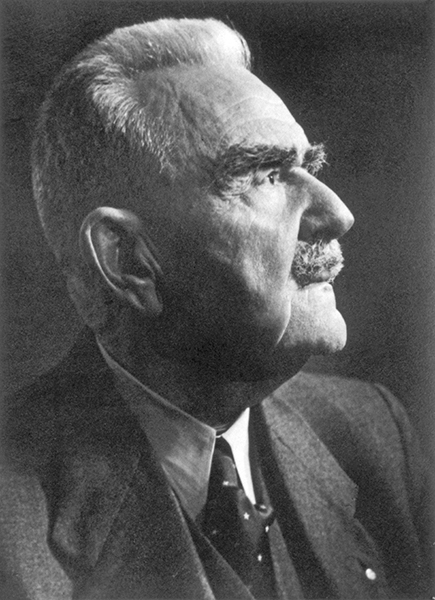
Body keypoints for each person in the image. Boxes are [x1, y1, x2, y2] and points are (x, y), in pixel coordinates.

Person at [0, 17, 430, 600]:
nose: (337, 214)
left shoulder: (370, 434)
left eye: (310, 169)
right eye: (265, 175)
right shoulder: (13, 524)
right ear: (128, 259)